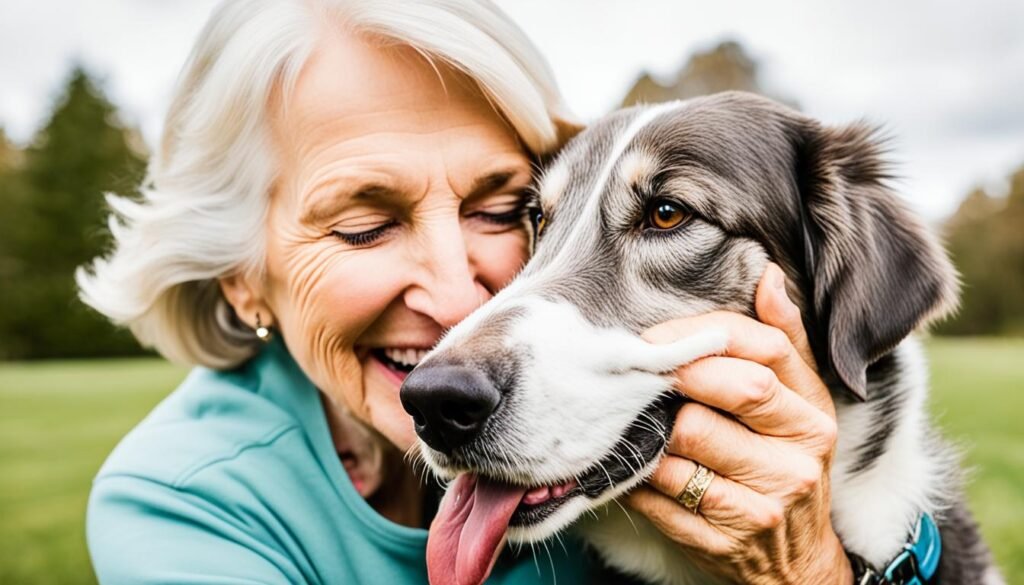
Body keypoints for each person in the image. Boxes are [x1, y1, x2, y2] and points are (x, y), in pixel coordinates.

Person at [79, 0, 851, 582]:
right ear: (241, 274)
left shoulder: (629, 425)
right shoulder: (183, 506)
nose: (460, 307)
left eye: (499, 210)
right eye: (364, 226)